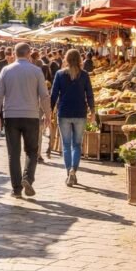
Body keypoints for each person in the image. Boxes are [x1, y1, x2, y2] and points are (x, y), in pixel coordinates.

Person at [0, 42, 50, 198]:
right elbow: (44, 96)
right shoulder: (36, 71)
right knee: (32, 151)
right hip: (31, 115)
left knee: (14, 153)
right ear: (29, 53)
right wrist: (48, 115)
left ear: (14, 54)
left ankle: (16, 189)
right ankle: (28, 178)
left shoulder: (6, 70)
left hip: (11, 116)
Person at [50, 49, 95, 186]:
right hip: (80, 112)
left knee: (66, 145)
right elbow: (90, 95)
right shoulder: (84, 75)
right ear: (80, 60)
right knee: (77, 145)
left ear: (66, 59)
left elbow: (54, 95)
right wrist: (92, 111)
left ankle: (69, 171)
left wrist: (49, 112)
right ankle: (73, 171)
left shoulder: (59, 74)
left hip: (64, 112)